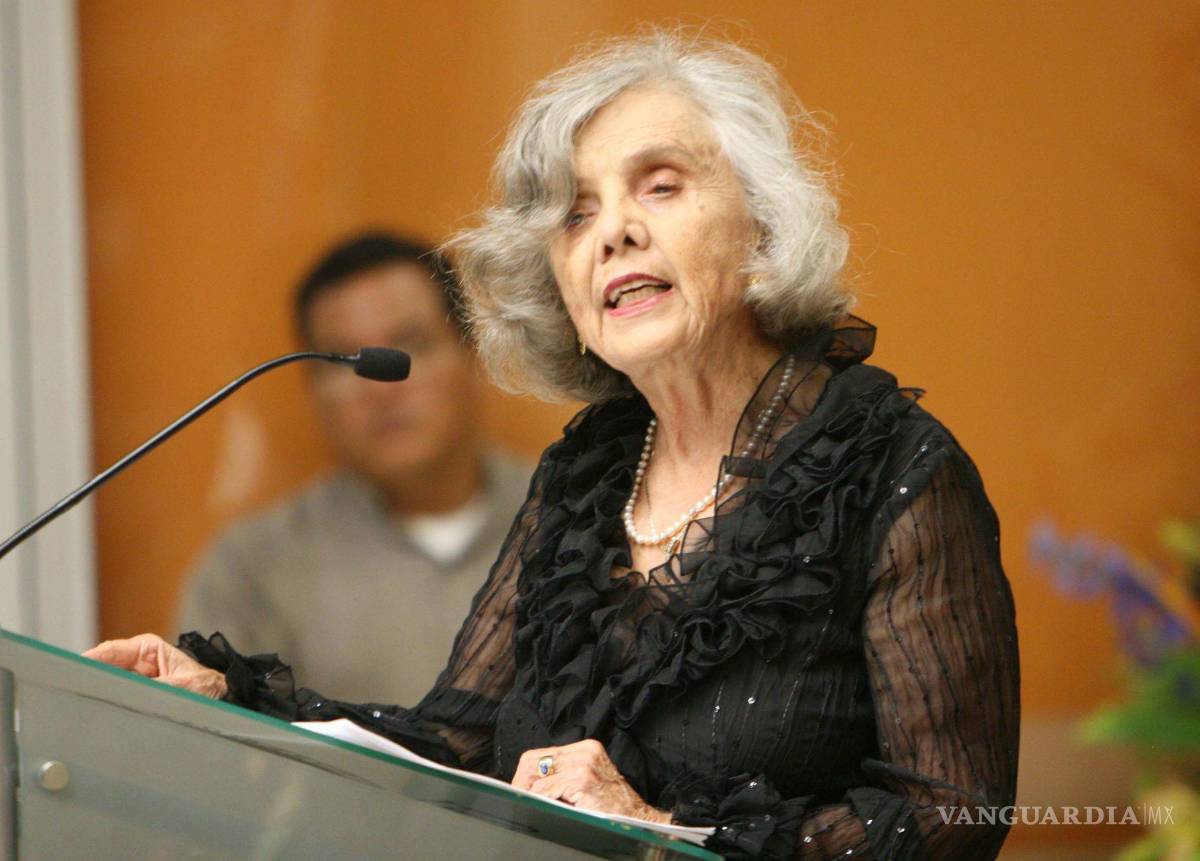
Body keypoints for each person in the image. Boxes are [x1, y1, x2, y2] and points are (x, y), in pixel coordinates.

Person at [89, 34, 1020, 861]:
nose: (612, 230)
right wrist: (231, 695)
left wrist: (670, 837)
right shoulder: (585, 476)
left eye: (661, 185)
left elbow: (951, 814)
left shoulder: (891, 468)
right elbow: (455, 744)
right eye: (575, 214)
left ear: (761, 227)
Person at [174, 232, 531, 704]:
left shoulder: (580, 520)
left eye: (409, 346)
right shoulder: (252, 569)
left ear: (474, 355)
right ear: (313, 393)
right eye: (345, 362)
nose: (381, 387)